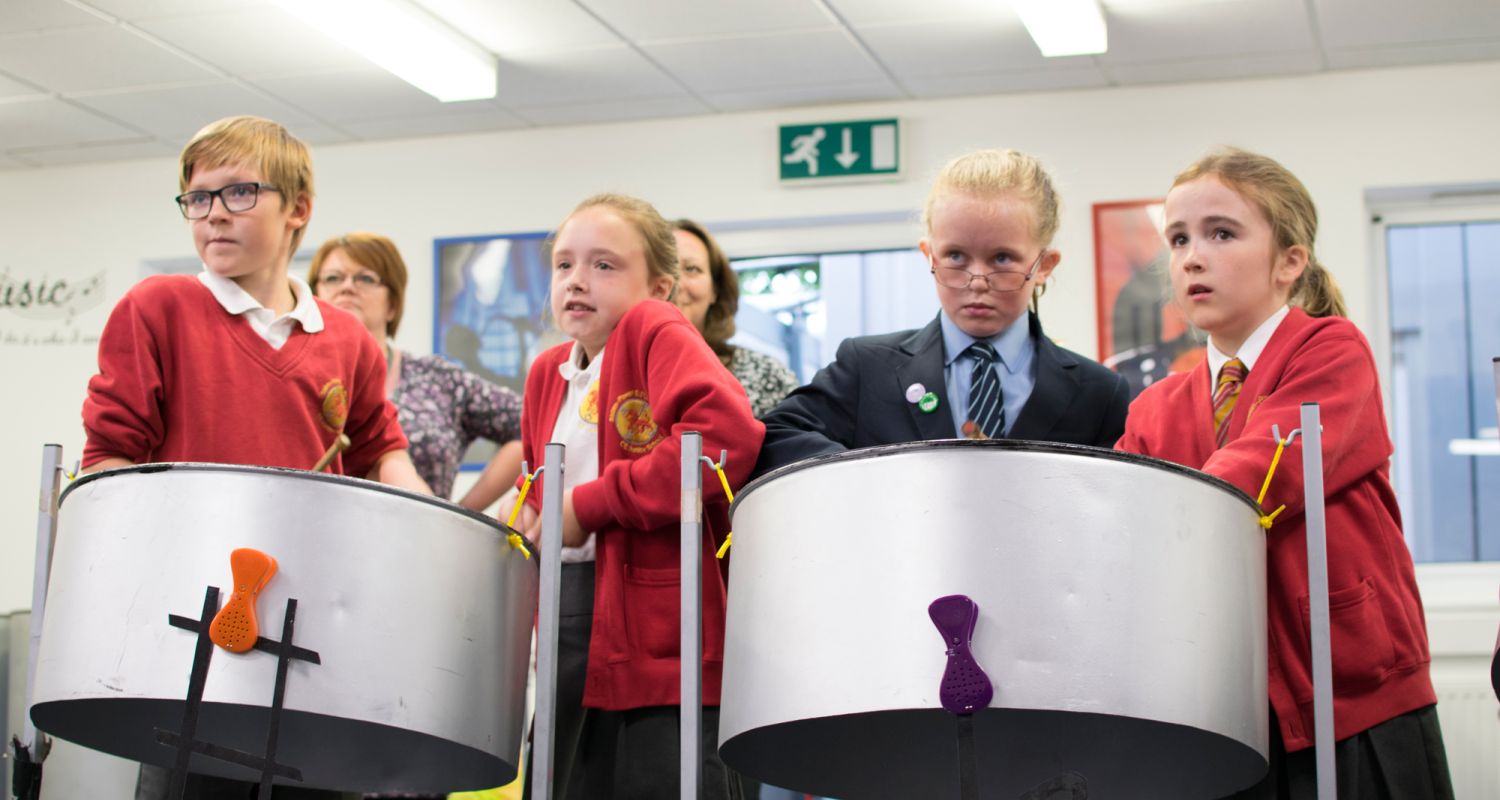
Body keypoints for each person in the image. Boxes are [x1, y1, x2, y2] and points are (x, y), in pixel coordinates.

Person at [79, 116, 427, 798]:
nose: (213, 216)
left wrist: (434, 523)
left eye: (238, 194)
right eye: (197, 198)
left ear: (297, 209)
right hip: (195, 639)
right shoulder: (158, 308)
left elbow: (382, 453)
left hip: (315, 643)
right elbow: (109, 464)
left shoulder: (347, 340)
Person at [1115, 147, 1452, 799]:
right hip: (1223, 708)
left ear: (1290, 261)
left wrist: (1153, 523)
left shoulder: (1332, 350)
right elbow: (1120, 530)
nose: (1191, 256)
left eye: (1221, 233)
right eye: (1178, 238)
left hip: (1352, 697)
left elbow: (1258, 473)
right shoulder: (1154, 407)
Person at [505, 193, 763, 799]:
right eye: (564, 265)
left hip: (657, 629)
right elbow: (539, 482)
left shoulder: (653, 328)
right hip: (569, 613)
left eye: (604, 266)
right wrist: (526, 513)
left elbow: (723, 440)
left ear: (660, 287)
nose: (576, 281)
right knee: (567, 780)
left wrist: (591, 504)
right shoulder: (549, 371)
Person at [755, 148, 1130, 475]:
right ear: (928, 255)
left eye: (1002, 258)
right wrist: (862, 477)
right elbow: (778, 434)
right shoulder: (867, 368)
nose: (977, 280)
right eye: (956, 256)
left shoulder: (1098, 392)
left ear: (1044, 264)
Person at [308, 232, 523, 510]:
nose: (347, 287)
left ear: (393, 305)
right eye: (333, 278)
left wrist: (462, 515)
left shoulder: (439, 379)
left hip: (424, 543)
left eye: (365, 278)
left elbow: (531, 424)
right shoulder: (300, 379)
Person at [672, 218, 799, 417]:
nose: (675, 284)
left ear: (715, 289)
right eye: (665, 269)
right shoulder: (614, 373)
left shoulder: (766, 375)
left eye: (691, 269)